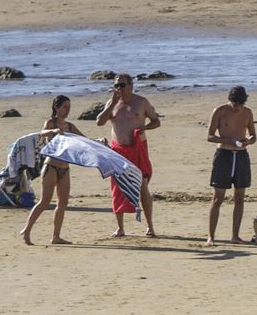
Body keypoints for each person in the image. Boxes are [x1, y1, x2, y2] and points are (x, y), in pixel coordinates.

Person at [95, 73, 160, 238]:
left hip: (137, 148)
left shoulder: (141, 102)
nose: (119, 89)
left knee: (142, 185)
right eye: (116, 86)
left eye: (122, 85)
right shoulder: (112, 103)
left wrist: (145, 129)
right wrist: (112, 104)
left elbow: (156, 120)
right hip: (118, 150)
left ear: (131, 86)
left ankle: (150, 226)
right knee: (117, 187)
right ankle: (120, 228)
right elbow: (99, 122)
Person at [21, 95, 84, 245]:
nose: (68, 110)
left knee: (62, 203)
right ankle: (27, 230)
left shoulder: (70, 126)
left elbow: (83, 140)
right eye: (65, 107)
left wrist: (98, 142)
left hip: (65, 168)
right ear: (56, 107)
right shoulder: (50, 123)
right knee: (44, 201)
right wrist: (54, 131)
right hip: (51, 167)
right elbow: (41, 133)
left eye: (69, 107)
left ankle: (56, 236)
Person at [206, 85, 257, 245]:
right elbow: (210, 136)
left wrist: (248, 141)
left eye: (240, 105)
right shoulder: (220, 111)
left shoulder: (247, 112)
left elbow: (254, 135)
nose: (237, 108)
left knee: (240, 197)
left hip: (241, 156)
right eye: (235, 105)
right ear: (230, 101)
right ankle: (211, 237)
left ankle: (235, 235)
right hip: (224, 155)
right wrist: (227, 140)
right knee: (218, 198)